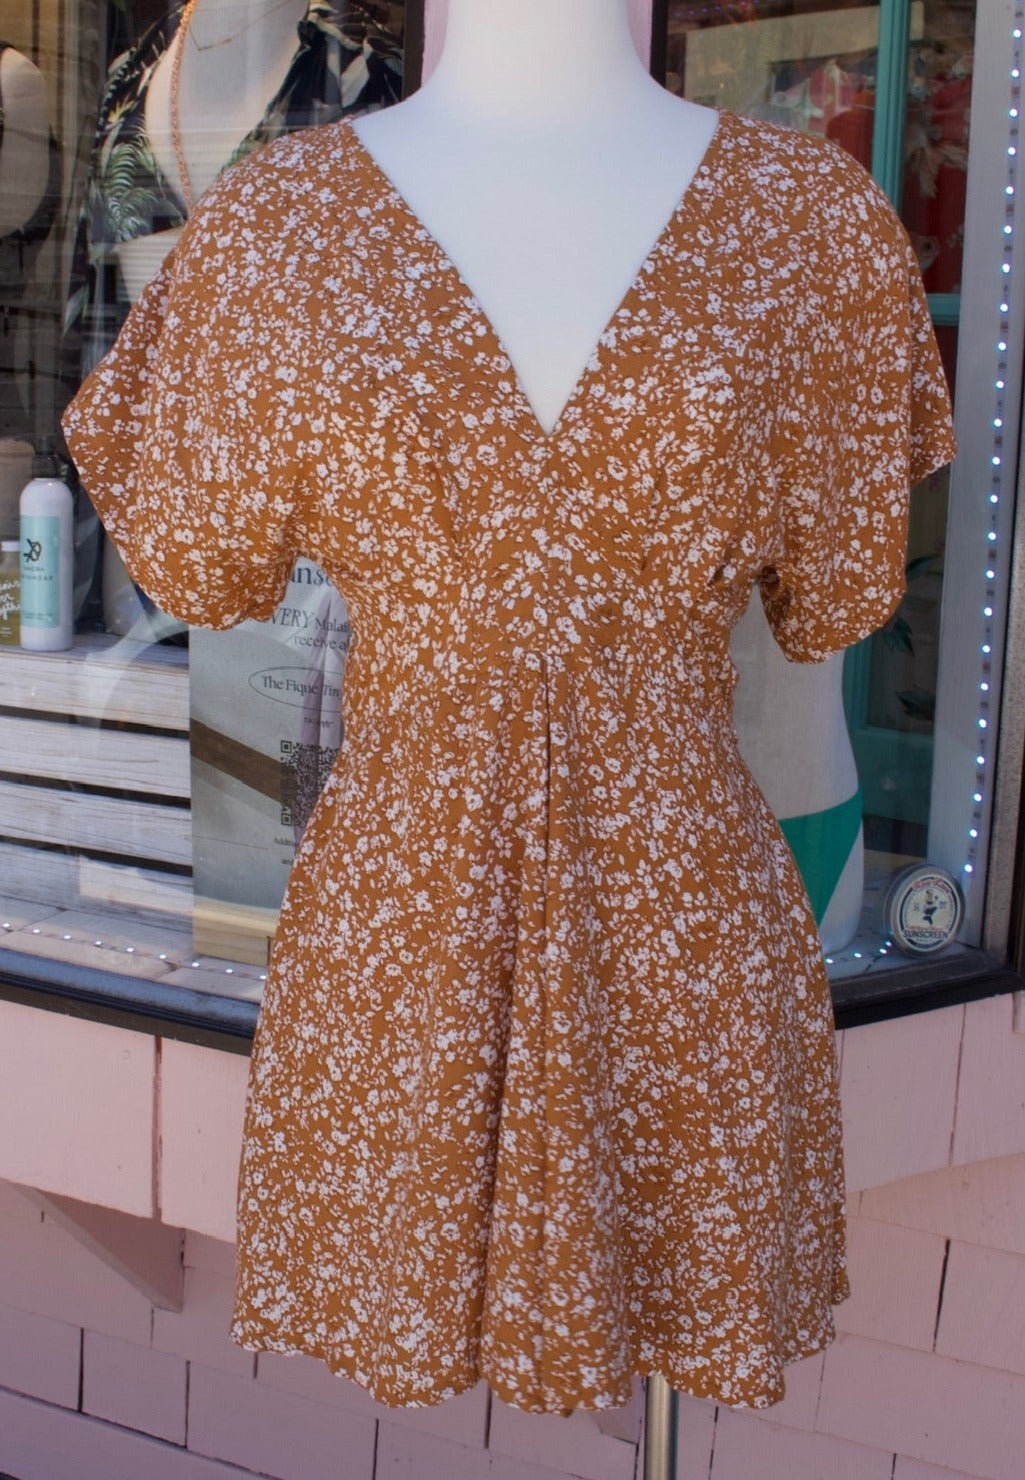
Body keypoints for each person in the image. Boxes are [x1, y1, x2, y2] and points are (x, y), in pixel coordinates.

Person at [63, 0, 956, 1417]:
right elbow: (199, 560)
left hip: (683, 937)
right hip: (401, 941)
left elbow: (836, 593)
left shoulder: (807, 225)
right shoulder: (279, 226)